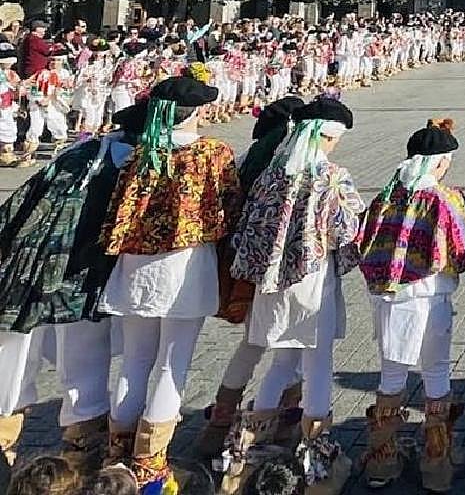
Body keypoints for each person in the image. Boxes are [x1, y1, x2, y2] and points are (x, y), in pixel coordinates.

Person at [98, 74, 242, 492]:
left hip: (134, 266)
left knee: (135, 362)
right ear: (194, 113)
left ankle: (116, 455)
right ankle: (149, 464)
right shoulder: (212, 153)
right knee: (171, 363)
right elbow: (229, 207)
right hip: (185, 267)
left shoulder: (139, 153)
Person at [0, 99, 150, 477]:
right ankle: (80, 460)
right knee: (83, 365)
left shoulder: (81, 153)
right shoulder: (133, 161)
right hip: (83, 278)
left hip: (31, 269)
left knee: (18, 363)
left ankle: (11, 445)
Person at [225, 95, 364, 495]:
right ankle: (319, 459)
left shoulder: (274, 172)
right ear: (325, 136)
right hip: (311, 281)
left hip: (271, 284)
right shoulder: (332, 175)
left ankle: (244, 453)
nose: (336, 145)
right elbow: (345, 231)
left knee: (281, 361)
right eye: (335, 138)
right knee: (317, 365)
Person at [357, 118, 465, 492]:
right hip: (431, 296)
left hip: (390, 298)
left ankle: (382, 460)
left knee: (391, 376)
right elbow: (463, 248)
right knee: (436, 372)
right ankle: (437, 463)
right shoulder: (445, 199)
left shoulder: (386, 195)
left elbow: (364, 240)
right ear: (439, 162)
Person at [193, 95, 307, 465]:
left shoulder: (250, 156)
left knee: (253, 343)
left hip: (243, 264)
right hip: (278, 267)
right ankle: (284, 420)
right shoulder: (287, 162)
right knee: (293, 342)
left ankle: (219, 422)